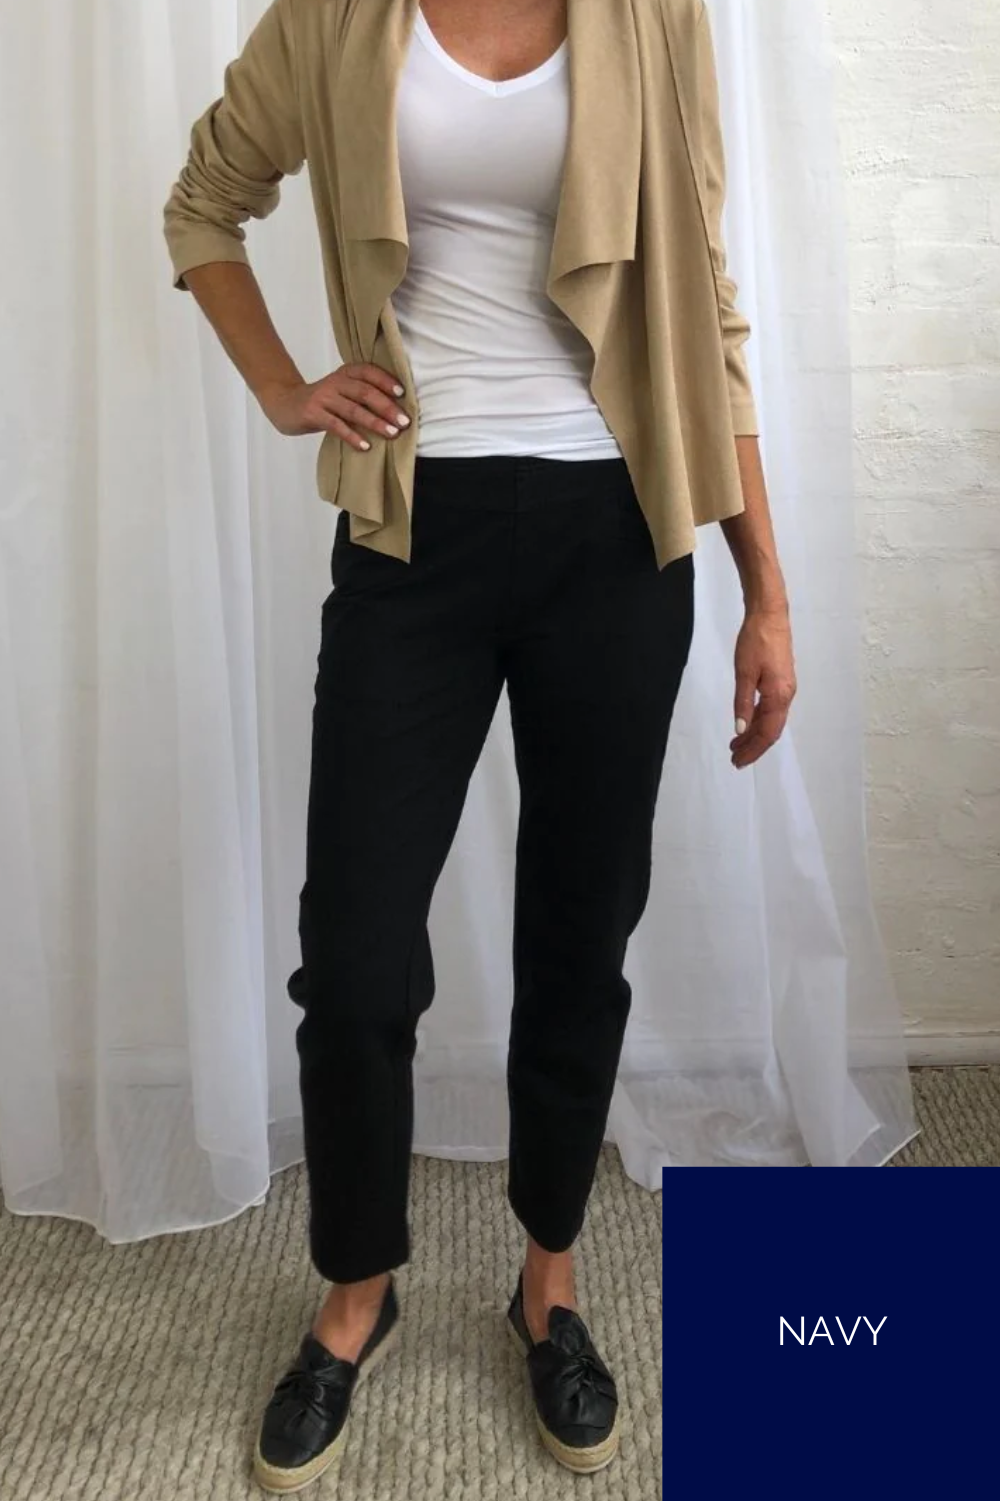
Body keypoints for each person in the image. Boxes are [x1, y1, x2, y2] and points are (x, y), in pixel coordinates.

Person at [164, 0, 797, 1490]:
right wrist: (285, 388)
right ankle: (356, 1291)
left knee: (582, 932)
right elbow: (204, 205)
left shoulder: (653, 19)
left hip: (613, 534)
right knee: (355, 956)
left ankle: (547, 1286)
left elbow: (705, 303)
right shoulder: (332, 20)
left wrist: (766, 591)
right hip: (413, 538)